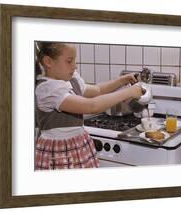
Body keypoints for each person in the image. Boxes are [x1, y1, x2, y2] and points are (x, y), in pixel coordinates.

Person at [35, 42, 148, 170]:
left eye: (74, 60)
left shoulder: (70, 80)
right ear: (48, 62)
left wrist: (122, 80)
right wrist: (128, 92)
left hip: (78, 144)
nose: (75, 66)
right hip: (58, 151)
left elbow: (97, 90)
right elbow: (91, 106)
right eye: (69, 61)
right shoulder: (48, 89)